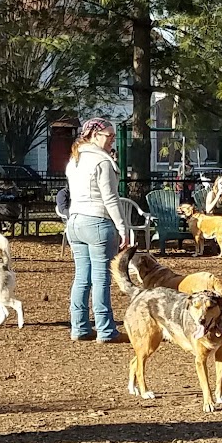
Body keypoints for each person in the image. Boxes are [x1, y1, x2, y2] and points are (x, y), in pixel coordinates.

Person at [65, 118, 131, 342]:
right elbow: (110, 198)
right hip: (97, 222)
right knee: (101, 278)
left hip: (75, 222)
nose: (112, 140)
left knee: (82, 277)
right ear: (94, 135)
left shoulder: (75, 159)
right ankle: (106, 329)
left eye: (113, 136)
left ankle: (79, 326)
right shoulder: (102, 162)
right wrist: (123, 227)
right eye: (108, 136)